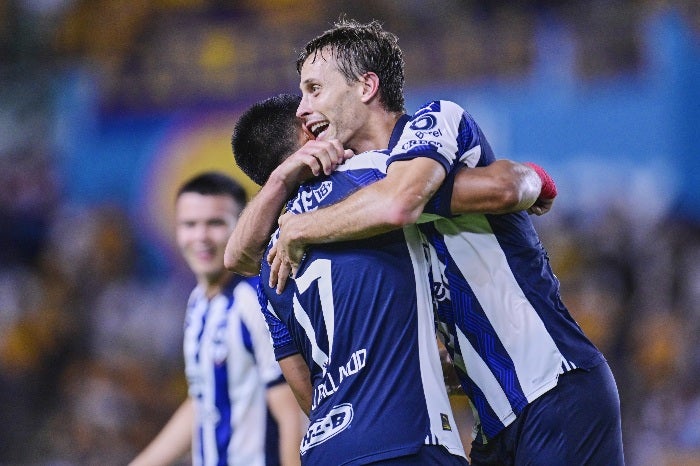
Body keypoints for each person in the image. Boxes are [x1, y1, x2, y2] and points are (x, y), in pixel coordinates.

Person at [267, 19, 624, 465]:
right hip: (493, 422)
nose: (302, 108)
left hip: (552, 389)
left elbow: (402, 202)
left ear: (366, 87)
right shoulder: (359, 194)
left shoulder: (434, 121)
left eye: (314, 89)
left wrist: (301, 226)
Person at [226, 93, 545, 466]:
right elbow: (501, 189)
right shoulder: (376, 181)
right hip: (410, 442)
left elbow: (306, 390)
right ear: (308, 135)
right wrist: (540, 179)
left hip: (326, 451)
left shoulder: (270, 264)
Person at [130, 172, 304, 466]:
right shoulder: (199, 302)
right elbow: (202, 400)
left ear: (242, 228)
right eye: (190, 225)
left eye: (215, 223)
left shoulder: (254, 301)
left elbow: (292, 413)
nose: (201, 237)